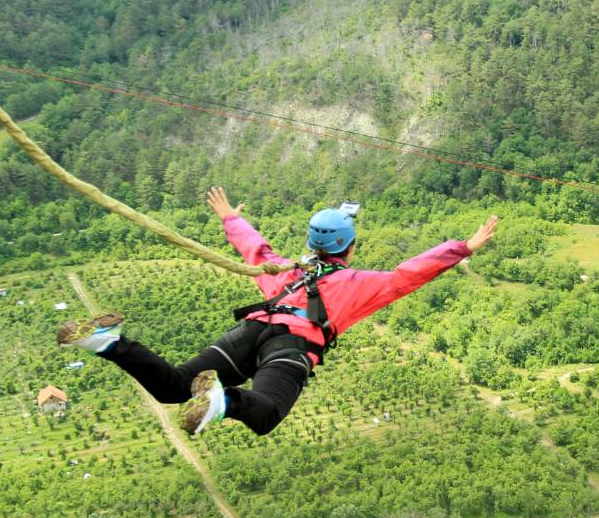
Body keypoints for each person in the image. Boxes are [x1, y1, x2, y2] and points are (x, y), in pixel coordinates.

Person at [59, 186, 498, 435]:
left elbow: (254, 248)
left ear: (312, 244)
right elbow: (409, 274)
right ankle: (222, 400)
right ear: (350, 246)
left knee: (175, 386)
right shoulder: (357, 284)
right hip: (291, 345)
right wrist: (463, 248)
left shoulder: (283, 270)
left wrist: (232, 217)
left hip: (250, 332)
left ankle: (109, 343)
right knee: (266, 414)